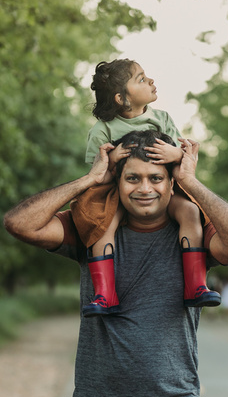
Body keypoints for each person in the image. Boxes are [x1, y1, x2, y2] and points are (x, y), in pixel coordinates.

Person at [3, 130, 228, 397]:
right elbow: (19, 224)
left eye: (156, 178)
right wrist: (90, 179)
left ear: (171, 182)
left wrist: (191, 182)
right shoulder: (90, 228)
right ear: (117, 181)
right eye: (133, 178)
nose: (145, 188)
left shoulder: (195, 232)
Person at [72, 58, 219, 317]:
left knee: (190, 211)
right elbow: (97, 175)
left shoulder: (161, 119)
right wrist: (112, 160)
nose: (150, 81)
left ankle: (195, 286)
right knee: (101, 224)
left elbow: (180, 160)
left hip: (161, 193)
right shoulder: (102, 130)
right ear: (122, 98)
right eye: (141, 79)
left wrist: (175, 153)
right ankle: (105, 294)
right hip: (118, 194)